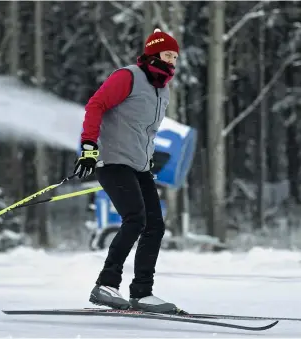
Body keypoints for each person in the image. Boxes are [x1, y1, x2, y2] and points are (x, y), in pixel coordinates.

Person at [73, 28, 184, 315]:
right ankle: (105, 285)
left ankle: (142, 293)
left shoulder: (163, 88)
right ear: (152, 54)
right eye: (167, 55)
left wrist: (151, 157)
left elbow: (142, 130)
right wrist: (88, 146)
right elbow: (96, 105)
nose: (172, 61)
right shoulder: (128, 76)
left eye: (174, 56)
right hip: (112, 161)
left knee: (155, 225)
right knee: (135, 218)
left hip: (139, 165)